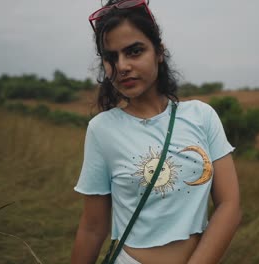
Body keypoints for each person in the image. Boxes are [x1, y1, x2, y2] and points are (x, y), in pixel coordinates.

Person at [71, 0, 241, 263]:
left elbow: (230, 206)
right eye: (111, 57)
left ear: (159, 52)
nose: (123, 66)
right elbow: (93, 227)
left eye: (134, 51)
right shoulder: (102, 130)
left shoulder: (201, 116)